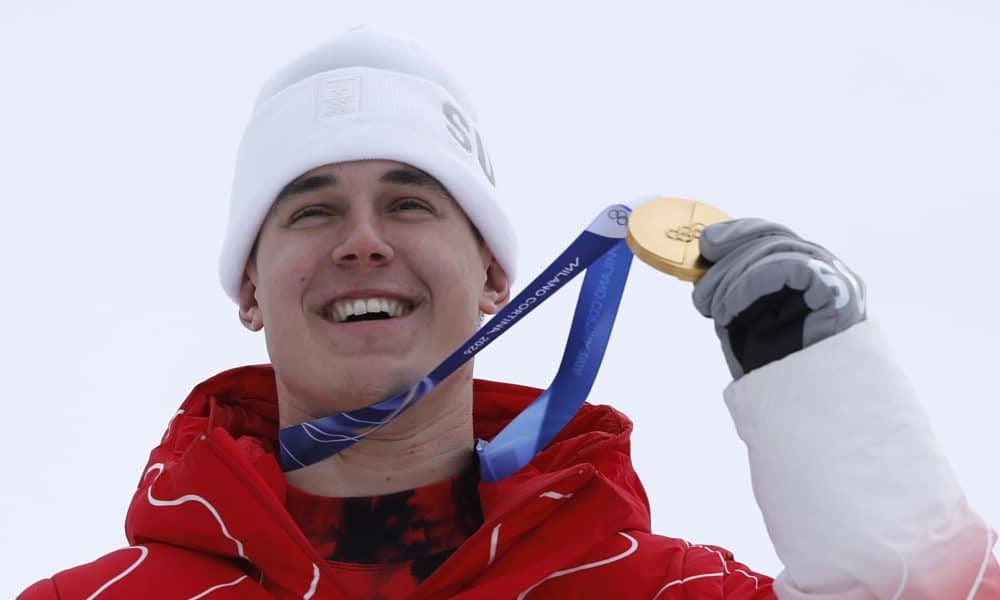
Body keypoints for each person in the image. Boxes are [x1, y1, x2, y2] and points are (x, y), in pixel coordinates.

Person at [19, 26, 999, 600]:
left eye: (410, 203)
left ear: (495, 281)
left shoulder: (645, 589)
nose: (362, 240)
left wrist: (817, 384)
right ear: (248, 290)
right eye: (312, 209)